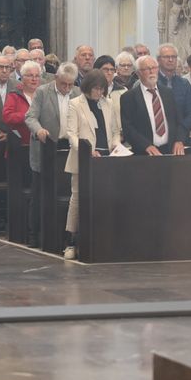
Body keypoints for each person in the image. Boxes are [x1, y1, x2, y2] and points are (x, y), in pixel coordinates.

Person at [63, 70, 124, 260]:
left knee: (107, 196)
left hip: (106, 158)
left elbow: (115, 130)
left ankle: (105, 237)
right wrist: (86, 150)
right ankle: (71, 241)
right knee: (78, 198)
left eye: (102, 89)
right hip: (84, 157)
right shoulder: (75, 104)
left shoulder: (109, 103)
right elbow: (71, 133)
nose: (99, 93)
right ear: (88, 88)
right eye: (96, 89)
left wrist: (115, 144)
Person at [24, 63, 79, 247]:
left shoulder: (77, 93)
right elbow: (30, 117)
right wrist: (38, 130)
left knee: (66, 193)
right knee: (39, 194)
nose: (67, 88)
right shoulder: (42, 92)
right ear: (56, 78)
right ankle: (34, 234)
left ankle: (61, 234)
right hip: (46, 147)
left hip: (68, 149)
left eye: (70, 84)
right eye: (64, 84)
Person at [120, 55, 185, 156]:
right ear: (138, 73)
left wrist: (179, 140)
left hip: (170, 151)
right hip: (144, 152)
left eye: (154, 68)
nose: (151, 71)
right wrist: (146, 145)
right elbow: (128, 128)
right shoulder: (129, 97)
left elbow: (179, 120)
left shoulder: (168, 93)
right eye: (147, 69)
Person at [156, 44, 191, 144]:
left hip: (181, 139)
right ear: (158, 60)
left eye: (174, 57)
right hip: (155, 139)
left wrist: (180, 137)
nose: (171, 60)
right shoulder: (151, 83)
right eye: (166, 57)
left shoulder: (184, 84)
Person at [3, 61, 41, 145]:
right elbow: (7, 117)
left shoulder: (44, 95)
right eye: (30, 75)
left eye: (37, 76)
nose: (34, 79)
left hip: (40, 143)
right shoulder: (14, 95)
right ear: (22, 77)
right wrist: (28, 116)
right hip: (19, 144)